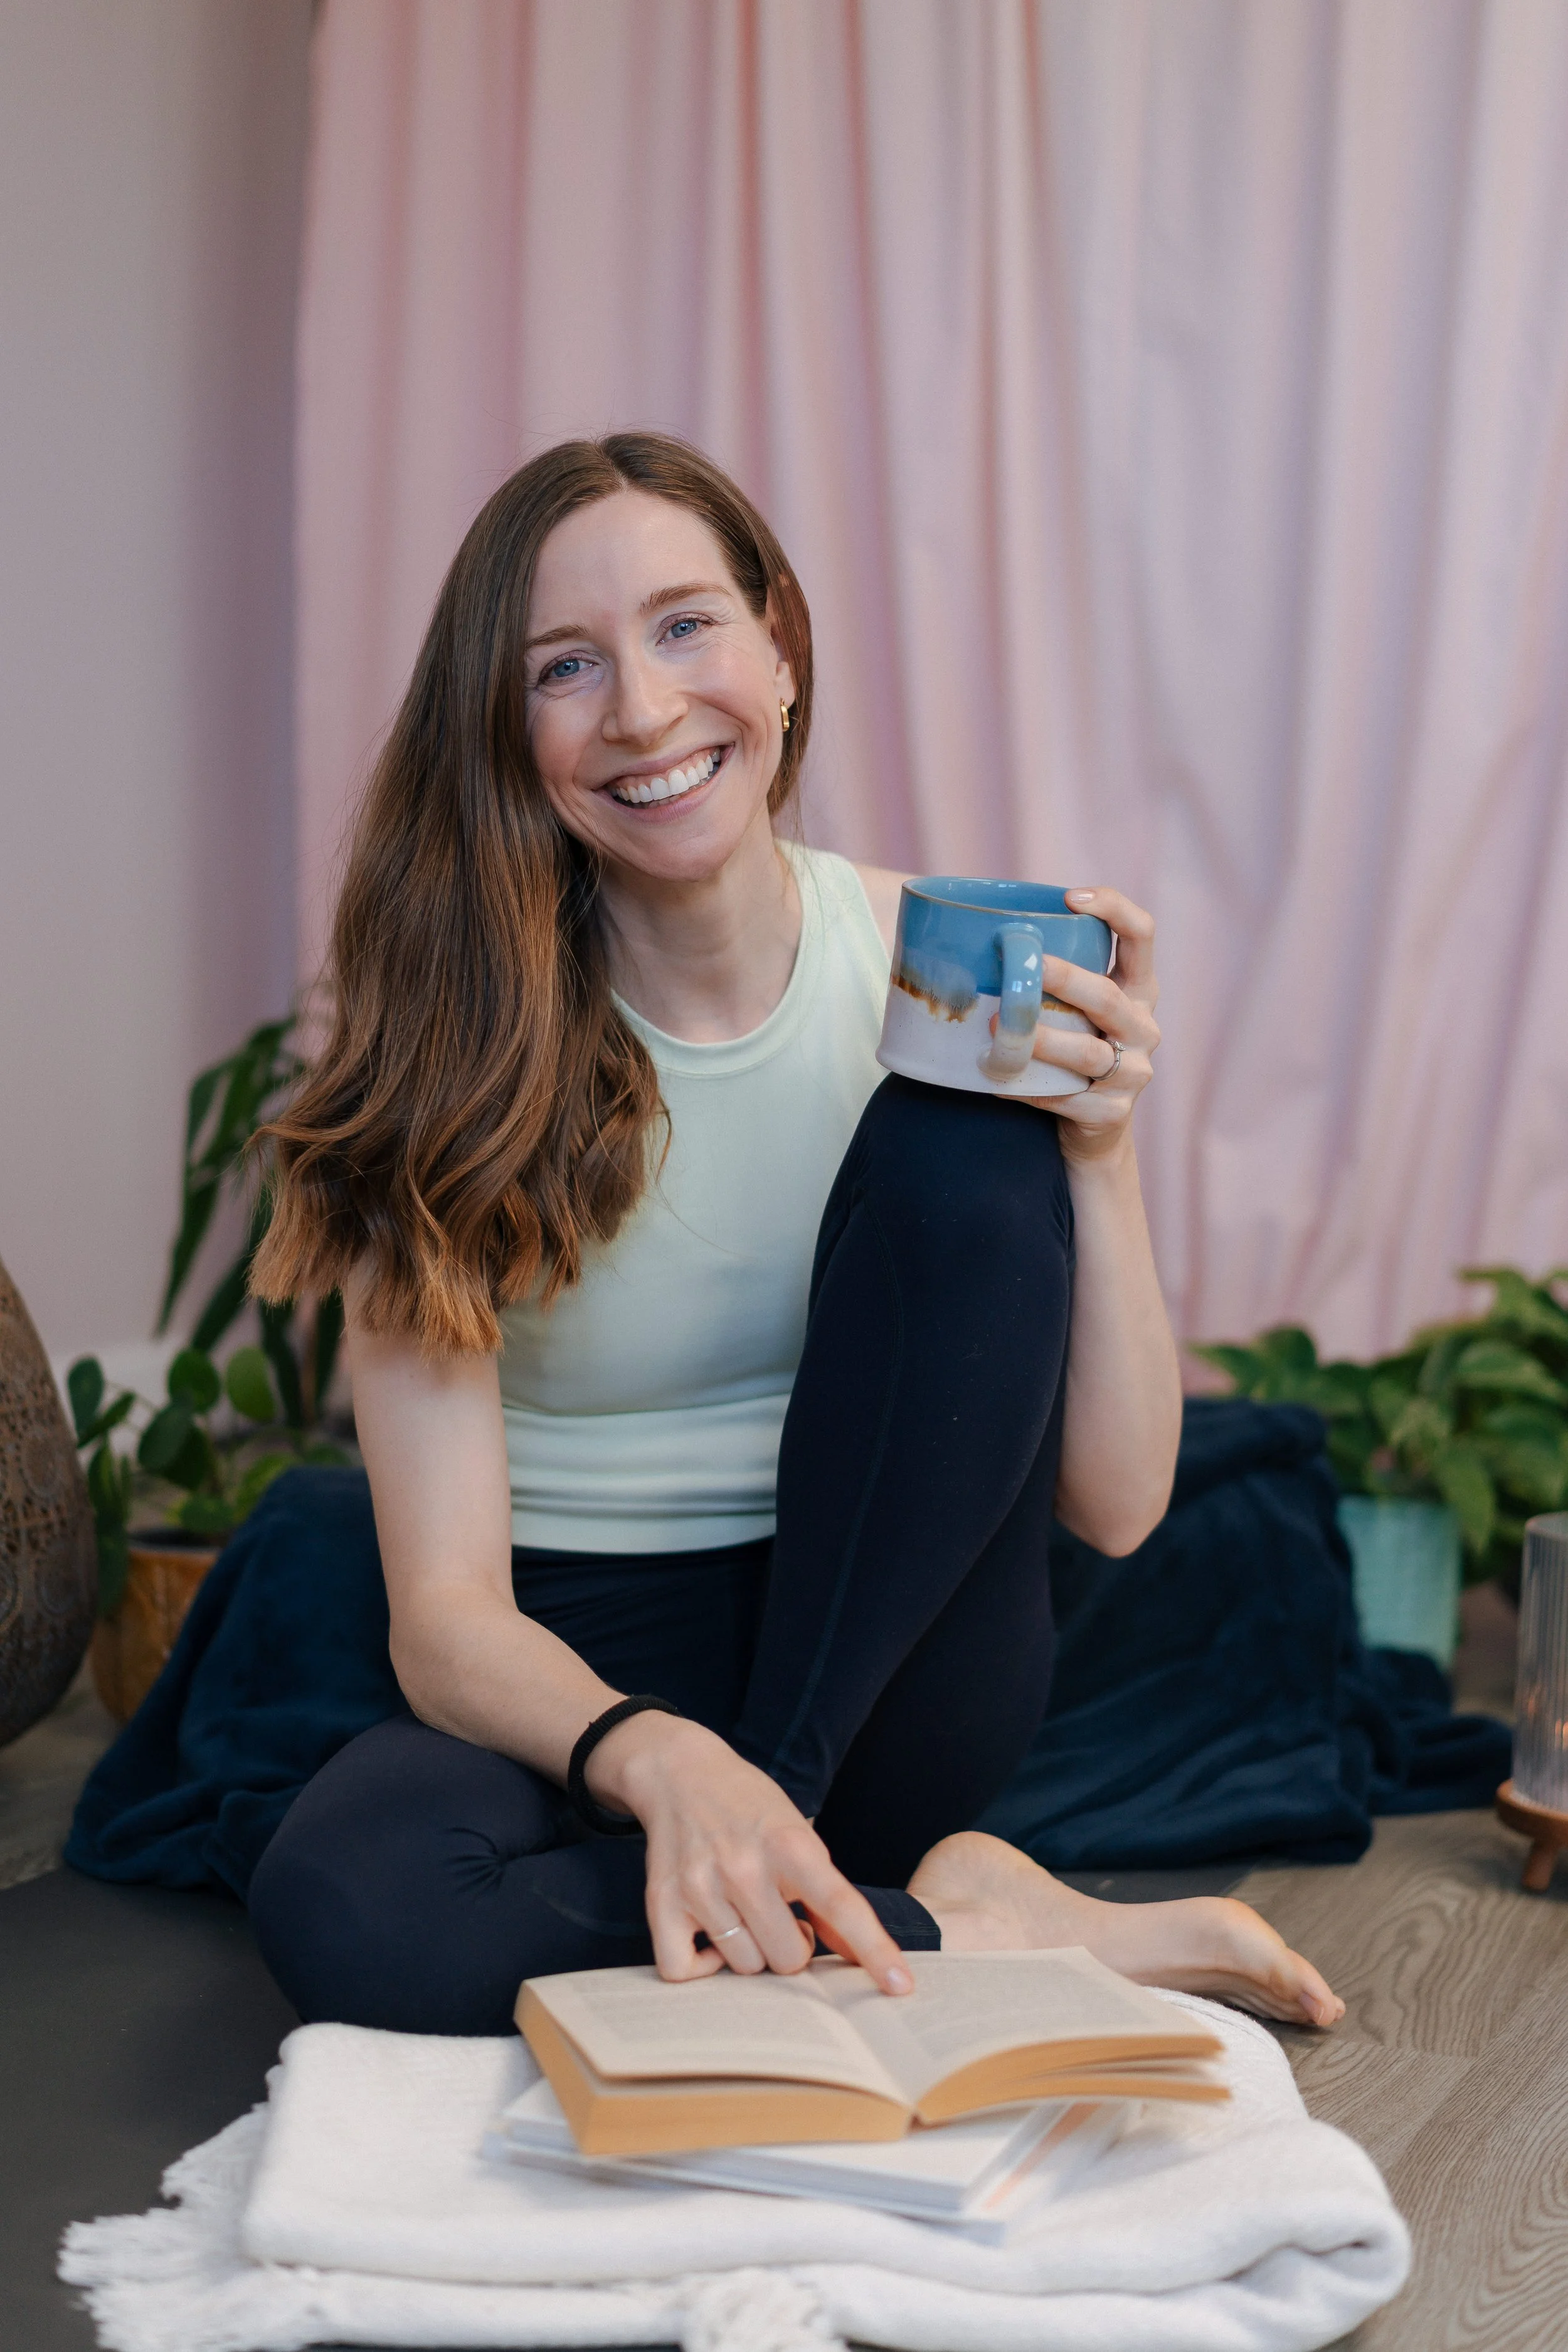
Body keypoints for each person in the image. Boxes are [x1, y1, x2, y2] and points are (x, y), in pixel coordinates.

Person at [248, 432, 1342, 2038]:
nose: (640, 709)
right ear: (506, 726)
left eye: (687, 625)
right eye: (567, 665)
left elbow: (1111, 1510)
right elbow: (447, 1618)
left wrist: (1094, 1159)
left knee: (959, 1132)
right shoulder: (448, 1051)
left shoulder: (939, 960)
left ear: (779, 645)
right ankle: (948, 1918)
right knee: (355, 1906)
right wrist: (663, 1760)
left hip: (885, 1658)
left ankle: (787, 1845)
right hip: (577, 1680)